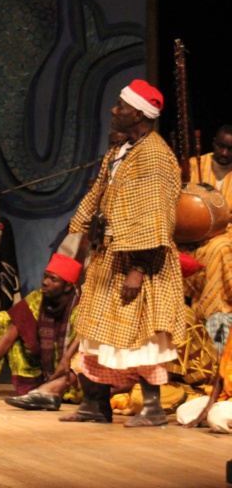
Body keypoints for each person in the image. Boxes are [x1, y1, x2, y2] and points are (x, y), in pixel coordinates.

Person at [61, 79, 185, 427]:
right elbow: (101, 192)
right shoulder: (124, 149)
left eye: (121, 106)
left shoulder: (155, 156)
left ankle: (153, 409)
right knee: (95, 332)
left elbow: (156, 217)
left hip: (142, 261)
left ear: (139, 115)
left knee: (141, 337)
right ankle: (95, 404)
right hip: (111, 256)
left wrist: (138, 270)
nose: (114, 110)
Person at [0, 253, 81, 410]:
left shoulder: (81, 306)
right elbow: (8, 338)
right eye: (45, 276)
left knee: (88, 345)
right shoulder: (37, 298)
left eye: (53, 279)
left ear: (68, 286)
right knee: (3, 319)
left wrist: (65, 360)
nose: (45, 282)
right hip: (43, 374)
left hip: (73, 380)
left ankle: (55, 388)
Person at [182, 124, 232, 353]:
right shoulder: (194, 166)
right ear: (213, 143)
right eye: (220, 146)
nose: (224, 153)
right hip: (190, 234)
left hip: (226, 236)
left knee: (218, 248)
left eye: (230, 149)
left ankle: (214, 314)